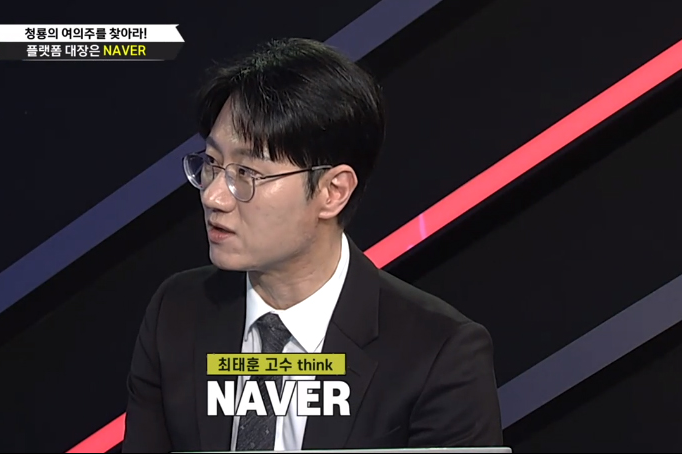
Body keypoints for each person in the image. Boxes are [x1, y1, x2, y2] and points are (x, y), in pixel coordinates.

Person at [122, 37, 503, 453]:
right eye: (212, 164)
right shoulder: (176, 313)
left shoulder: (440, 355)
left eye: (247, 173)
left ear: (332, 191)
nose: (213, 196)